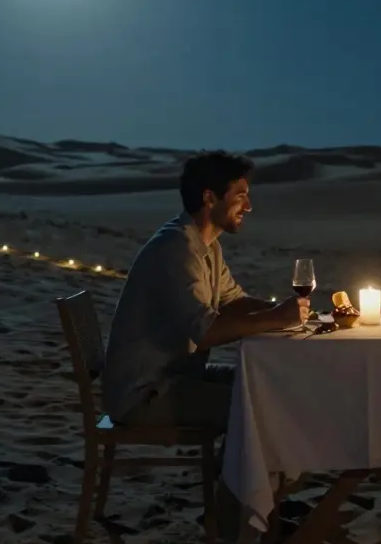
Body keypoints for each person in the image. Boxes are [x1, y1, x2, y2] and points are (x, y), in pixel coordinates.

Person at [103, 150, 310, 431]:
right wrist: (277, 318)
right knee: (264, 407)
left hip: (181, 376)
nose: (248, 206)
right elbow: (206, 332)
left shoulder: (206, 245)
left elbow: (233, 301)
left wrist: (284, 310)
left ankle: (235, 472)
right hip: (145, 393)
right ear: (210, 198)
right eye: (240, 195)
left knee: (268, 386)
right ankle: (237, 476)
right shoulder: (177, 249)